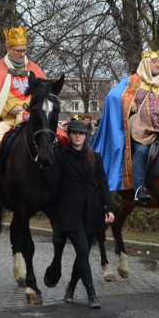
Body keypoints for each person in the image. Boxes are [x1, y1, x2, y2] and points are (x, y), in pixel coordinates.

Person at [92, 50, 159, 204]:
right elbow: (113, 96)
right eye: (154, 61)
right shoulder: (133, 81)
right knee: (141, 151)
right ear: (146, 64)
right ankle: (138, 189)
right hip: (140, 127)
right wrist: (128, 100)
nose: (158, 64)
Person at [53, 117, 115, 308]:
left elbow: (103, 184)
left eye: (81, 133)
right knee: (82, 250)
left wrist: (109, 208)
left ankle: (71, 287)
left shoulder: (94, 156)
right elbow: (54, 184)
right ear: (69, 135)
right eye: (74, 133)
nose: (78, 136)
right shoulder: (61, 157)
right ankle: (91, 294)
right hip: (69, 212)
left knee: (84, 254)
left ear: (86, 136)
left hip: (92, 210)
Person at [0, 26, 47, 182]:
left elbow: (44, 94)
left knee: (59, 138)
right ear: (8, 48)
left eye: (24, 50)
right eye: (18, 50)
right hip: (9, 120)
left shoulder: (35, 69)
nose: (22, 54)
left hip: (34, 120)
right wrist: (14, 110)